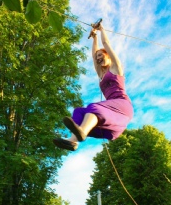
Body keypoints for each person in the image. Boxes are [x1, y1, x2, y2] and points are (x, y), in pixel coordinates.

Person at [53, 23, 133, 151]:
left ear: (107, 55)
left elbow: (106, 44)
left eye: (101, 55)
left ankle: (82, 132)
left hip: (122, 106)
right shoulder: (101, 74)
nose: (98, 58)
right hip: (109, 113)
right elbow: (93, 56)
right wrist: (94, 37)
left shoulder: (116, 67)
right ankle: (73, 141)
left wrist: (101, 30)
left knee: (93, 108)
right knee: (78, 112)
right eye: (97, 57)